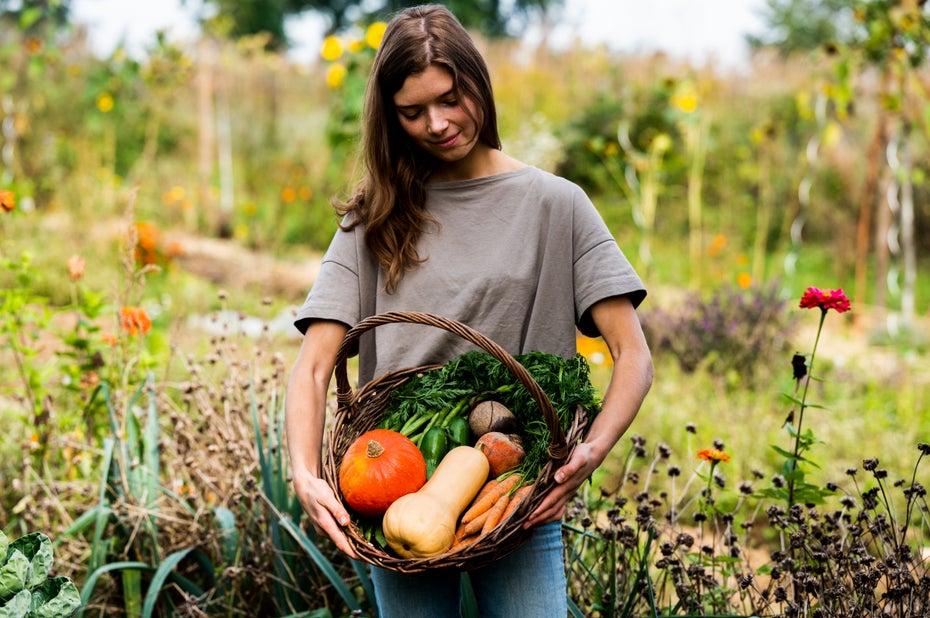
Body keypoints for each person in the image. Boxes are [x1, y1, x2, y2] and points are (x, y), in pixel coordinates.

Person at [285, 5, 653, 616]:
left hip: (515, 491)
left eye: (451, 98)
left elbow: (633, 355)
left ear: (478, 83)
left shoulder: (556, 206)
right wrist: (304, 471)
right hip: (394, 491)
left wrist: (587, 456)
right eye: (412, 112)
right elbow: (315, 365)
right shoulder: (373, 218)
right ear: (390, 116)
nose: (437, 123)